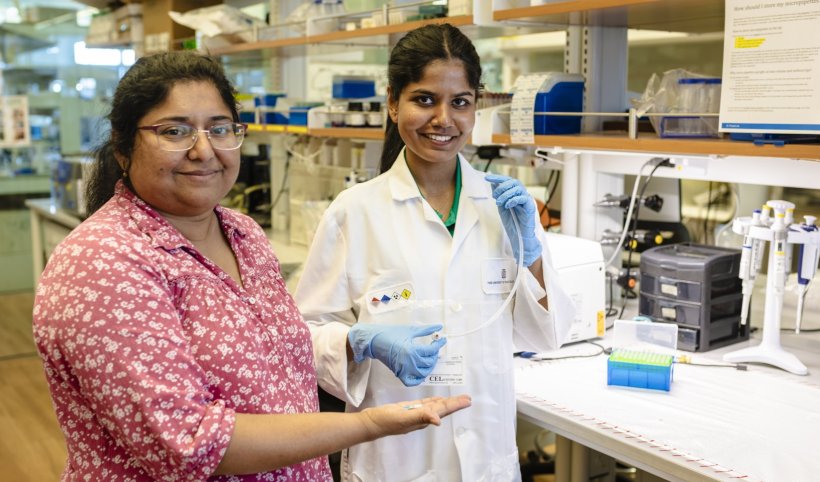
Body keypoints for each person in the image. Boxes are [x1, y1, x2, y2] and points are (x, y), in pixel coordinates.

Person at [32, 50, 471, 482]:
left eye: (220, 128)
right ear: (124, 146)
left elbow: (274, 363)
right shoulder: (104, 260)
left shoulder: (243, 235)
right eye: (174, 131)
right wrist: (370, 425)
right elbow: (191, 444)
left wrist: (357, 343)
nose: (203, 150)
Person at [295, 24, 575, 481]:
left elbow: (546, 337)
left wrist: (531, 252)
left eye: (460, 102)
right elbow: (303, 337)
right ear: (392, 103)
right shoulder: (355, 212)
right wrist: (360, 341)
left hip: (486, 455)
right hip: (395, 458)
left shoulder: (502, 207)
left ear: (476, 107)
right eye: (424, 99)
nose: (444, 119)